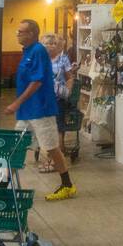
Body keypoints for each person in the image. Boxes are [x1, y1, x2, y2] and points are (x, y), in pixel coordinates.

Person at [5, 19, 76, 201]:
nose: (18, 34)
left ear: (32, 34)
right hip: (27, 112)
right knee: (15, 146)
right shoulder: (27, 52)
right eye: (18, 31)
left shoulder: (38, 51)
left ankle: (67, 185)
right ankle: (3, 185)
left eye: (21, 32)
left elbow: (37, 81)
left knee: (51, 148)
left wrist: (16, 103)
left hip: (41, 109)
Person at [41, 34, 74, 172]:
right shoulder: (41, 59)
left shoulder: (63, 59)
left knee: (58, 129)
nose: (51, 46)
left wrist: (68, 91)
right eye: (48, 43)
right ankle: (48, 158)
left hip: (58, 98)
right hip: (43, 99)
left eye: (54, 43)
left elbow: (69, 77)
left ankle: (56, 161)